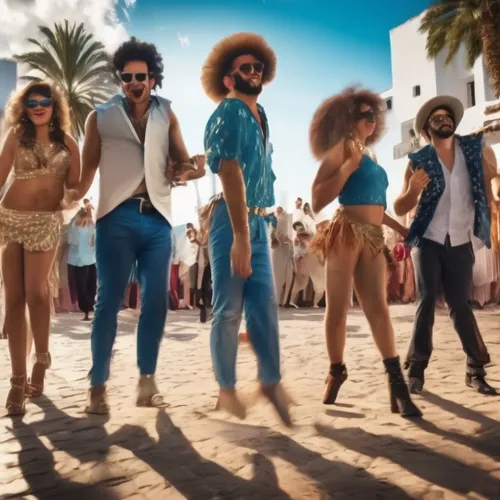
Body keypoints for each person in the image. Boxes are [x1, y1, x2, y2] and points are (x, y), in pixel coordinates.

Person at [76, 37, 205, 414]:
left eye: (142, 76)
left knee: (156, 303)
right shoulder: (99, 116)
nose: (135, 82)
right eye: (127, 76)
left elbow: (180, 166)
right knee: (108, 303)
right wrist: (62, 197)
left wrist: (193, 169)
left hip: (158, 221)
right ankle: (97, 386)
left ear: (153, 78)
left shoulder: (168, 113)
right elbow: (85, 177)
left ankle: (146, 383)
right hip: (116, 218)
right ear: (120, 79)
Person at [309, 86, 421, 418]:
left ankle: (396, 384)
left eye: (373, 114)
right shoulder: (342, 148)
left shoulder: (370, 156)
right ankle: (336, 369)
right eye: (362, 114)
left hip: (373, 235)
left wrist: (401, 229)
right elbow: (316, 199)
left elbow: (376, 205)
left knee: (379, 309)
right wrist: (345, 169)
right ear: (348, 119)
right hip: (345, 232)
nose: (369, 119)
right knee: (338, 308)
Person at [201, 32, 292, 425]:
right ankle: (226, 389)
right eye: (245, 68)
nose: (254, 72)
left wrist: (260, 226)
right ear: (228, 78)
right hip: (232, 222)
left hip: (258, 221)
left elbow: (262, 174)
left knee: (264, 309)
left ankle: (270, 382)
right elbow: (229, 169)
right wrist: (240, 234)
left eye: (257, 67)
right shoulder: (229, 111)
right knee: (228, 310)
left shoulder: (262, 117)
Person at [393, 95, 500, 395]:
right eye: (436, 118)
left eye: (447, 116)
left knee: (460, 304)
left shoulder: (475, 150)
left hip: (462, 239)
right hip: (427, 239)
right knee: (426, 300)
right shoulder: (418, 161)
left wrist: (497, 190)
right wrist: (413, 189)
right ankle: (416, 368)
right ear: (427, 129)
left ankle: (475, 369)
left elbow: (493, 180)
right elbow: (400, 206)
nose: (444, 120)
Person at [0, 82, 80, 415]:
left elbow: (77, 185)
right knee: (13, 300)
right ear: (24, 106)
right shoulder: (16, 137)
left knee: (36, 293)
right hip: (8, 218)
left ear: (53, 105)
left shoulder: (68, 142)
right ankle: (17, 380)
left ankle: (42, 358)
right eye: (31, 101)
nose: (37, 105)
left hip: (46, 221)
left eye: (44, 100)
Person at [67, 206, 97, 321]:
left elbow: (94, 241)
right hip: (79, 261)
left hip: (90, 259)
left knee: (91, 286)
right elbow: (72, 242)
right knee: (82, 287)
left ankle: (89, 309)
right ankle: (85, 310)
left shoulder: (90, 226)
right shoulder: (74, 226)